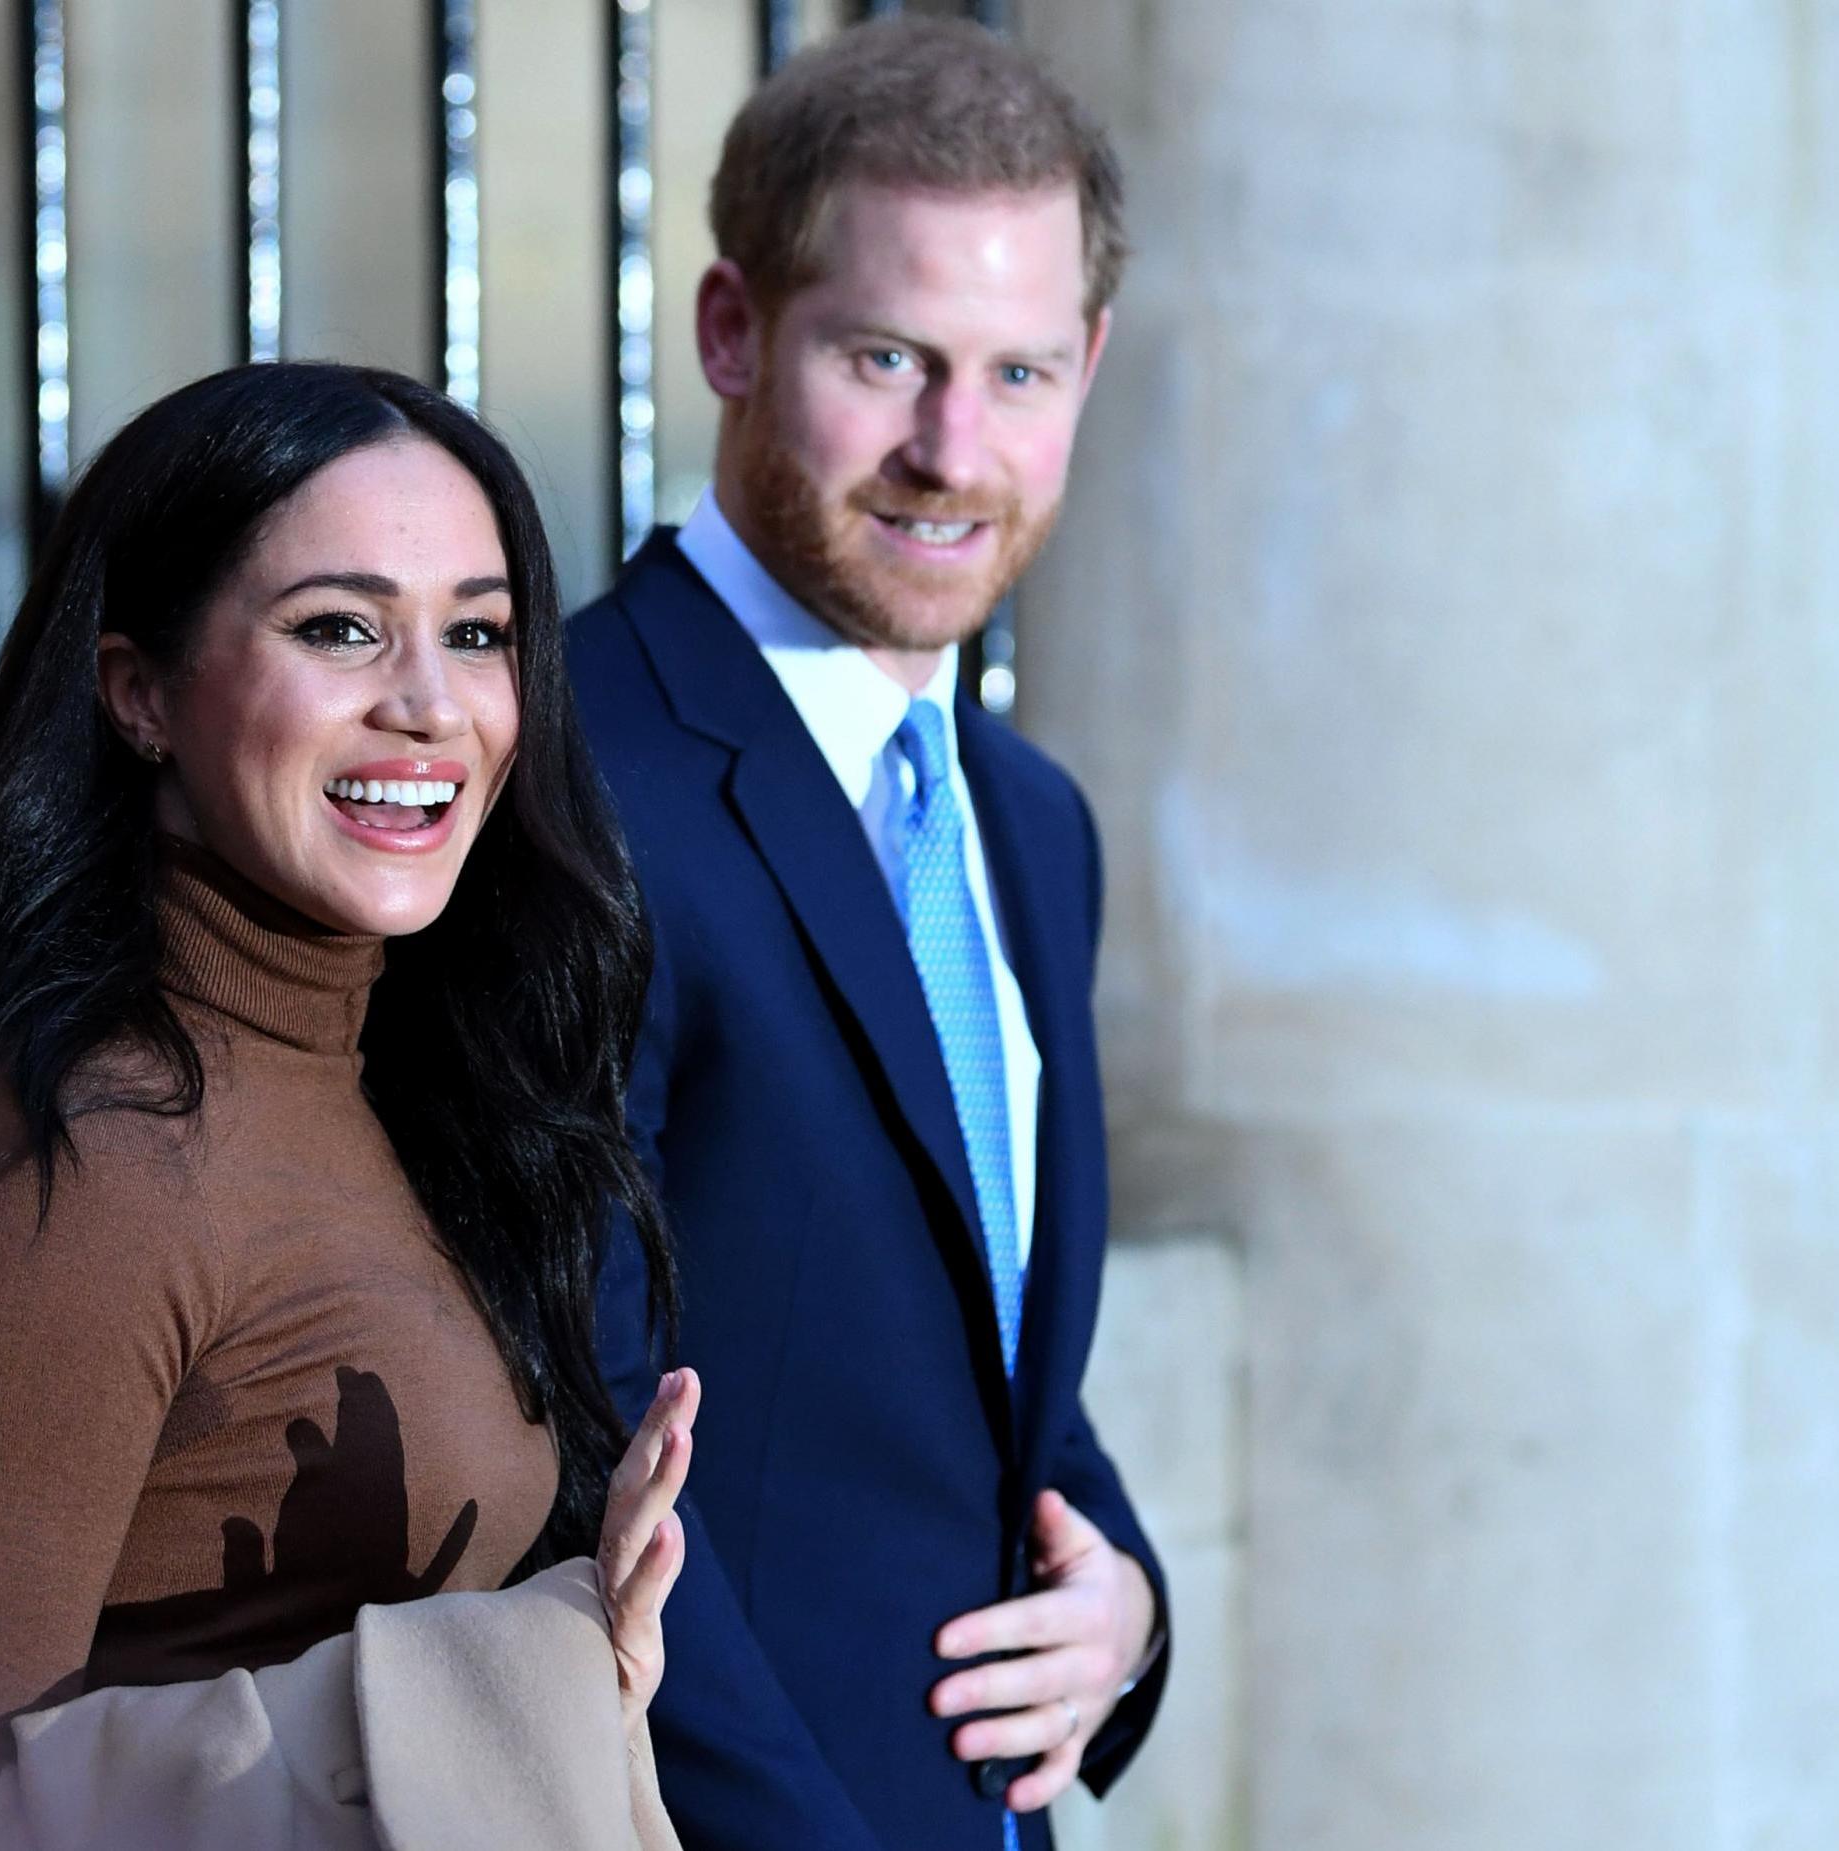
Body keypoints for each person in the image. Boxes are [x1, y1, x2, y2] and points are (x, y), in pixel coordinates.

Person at [0, 362, 697, 1848]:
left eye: (476, 635)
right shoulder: (81, 1167)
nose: (426, 704)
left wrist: (566, 1674)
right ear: (139, 691)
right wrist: (481, 1685)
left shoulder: (394, 1070)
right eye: (338, 628)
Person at [566, 20, 1167, 1850]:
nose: (950, 450)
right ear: (733, 332)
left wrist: (1123, 1602)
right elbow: (558, 1417)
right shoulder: (566, 769)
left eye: (1018, 372)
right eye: (887, 358)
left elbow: (977, 1357)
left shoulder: (1028, 821)